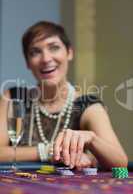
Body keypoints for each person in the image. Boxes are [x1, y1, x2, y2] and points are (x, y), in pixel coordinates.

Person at [0, 20, 128, 170]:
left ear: (69, 52)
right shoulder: (15, 97)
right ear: (28, 63)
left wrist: (92, 139)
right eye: (35, 52)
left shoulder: (87, 104)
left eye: (54, 48)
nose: (46, 59)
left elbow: (121, 163)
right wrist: (49, 151)